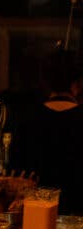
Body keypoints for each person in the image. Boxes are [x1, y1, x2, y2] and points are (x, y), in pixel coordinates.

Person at [13, 50, 83, 214]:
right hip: (78, 216)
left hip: (35, 213)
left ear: (45, 82)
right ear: (77, 84)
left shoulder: (27, 120)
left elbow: (16, 172)